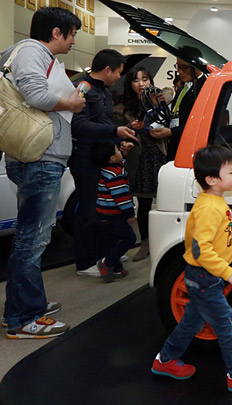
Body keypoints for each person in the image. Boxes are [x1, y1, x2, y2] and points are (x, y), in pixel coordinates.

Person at [151, 145, 232, 394]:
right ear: (212, 179)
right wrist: (228, 272)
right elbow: (200, 251)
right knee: (228, 327)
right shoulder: (208, 209)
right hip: (204, 277)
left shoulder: (215, 201)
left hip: (205, 277)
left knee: (190, 323)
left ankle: (165, 361)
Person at [2, 7, 84, 339]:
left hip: (33, 155)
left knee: (30, 238)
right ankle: (24, 318)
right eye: (72, 33)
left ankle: (23, 307)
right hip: (40, 157)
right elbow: (36, 95)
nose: (74, 39)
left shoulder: (17, 53)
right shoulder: (32, 52)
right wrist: (72, 104)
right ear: (55, 32)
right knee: (32, 240)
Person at [70, 49, 137, 277]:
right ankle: (85, 263)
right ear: (108, 70)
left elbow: (105, 124)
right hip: (85, 158)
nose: (120, 77)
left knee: (104, 211)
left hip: (102, 156)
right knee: (88, 211)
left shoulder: (105, 93)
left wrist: (119, 141)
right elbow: (78, 125)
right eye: (118, 72)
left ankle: (107, 255)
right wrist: (114, 130)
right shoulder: (83, 88)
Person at [114, 66, 165, 262]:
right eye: (136, 80)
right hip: (139, 158)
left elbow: (170, 123)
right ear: (130, 84)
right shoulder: (124, 107)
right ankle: (145, 242)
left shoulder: (160, 101)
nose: (142, 84)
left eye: (145, 79)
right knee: (143, 204)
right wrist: (130, 128)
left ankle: (162, 242)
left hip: (160, 154)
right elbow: (116, 131)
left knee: (166, 201)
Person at [90, 142, 136, 283]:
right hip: (114, 215)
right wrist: (130, 214)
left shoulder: (105, 170)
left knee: (112, 242)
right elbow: (121, 197)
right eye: (117, 150)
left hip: (102, 214)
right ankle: (107, 262)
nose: (120, 151)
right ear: (112, 158)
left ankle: (117, 269)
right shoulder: (116, 174)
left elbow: (120, 163)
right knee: (129, 239)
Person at [150, 48, 206, 161]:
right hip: (175, 145)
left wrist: (171, 132)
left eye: (184, 67)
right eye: (178, 66)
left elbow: (201, 123)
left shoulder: (205, 87)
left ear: (196, 66)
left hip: (192, 149)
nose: (180, 71)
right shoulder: (182, 88)